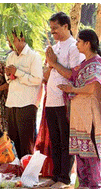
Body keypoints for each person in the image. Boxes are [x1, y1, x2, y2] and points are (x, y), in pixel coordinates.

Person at [39, 12, 85, 189]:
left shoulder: (74, 47)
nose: (53, 32)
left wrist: (54, 63)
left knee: (66, 141)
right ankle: (56, 175)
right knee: (55, 141)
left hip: (66, 101)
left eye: (55, 28)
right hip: (51, 100)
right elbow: (48, 74)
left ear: (66, 26)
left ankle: (64, 179)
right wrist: (49, 66)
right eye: (51, 29)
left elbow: (76, 76)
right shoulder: (56, 46)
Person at [56, 29, 101, 189]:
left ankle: (94, 185)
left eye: (79, 41)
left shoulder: (96, 63)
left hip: (89, 116)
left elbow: (91, 89)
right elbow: (72, 78)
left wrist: (71, 90)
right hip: (79, 116)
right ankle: (83, 185)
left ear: (87, 43)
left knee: (91, 153)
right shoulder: (83, 64)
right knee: (81, 153)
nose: (76, 44)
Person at [5, 29, 43, 159]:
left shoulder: (34, 56)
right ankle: (15, 172)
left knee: (26, 142)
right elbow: (8, 80)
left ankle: (27, 173)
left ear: (22, 39)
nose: (10, 44)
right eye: (8, 41)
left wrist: (18, 72)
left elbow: (37, 80)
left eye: (12, 40)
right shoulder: (10, 56)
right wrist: (9, 74)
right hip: (12, 103)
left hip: (27, 102)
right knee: (13, 141)